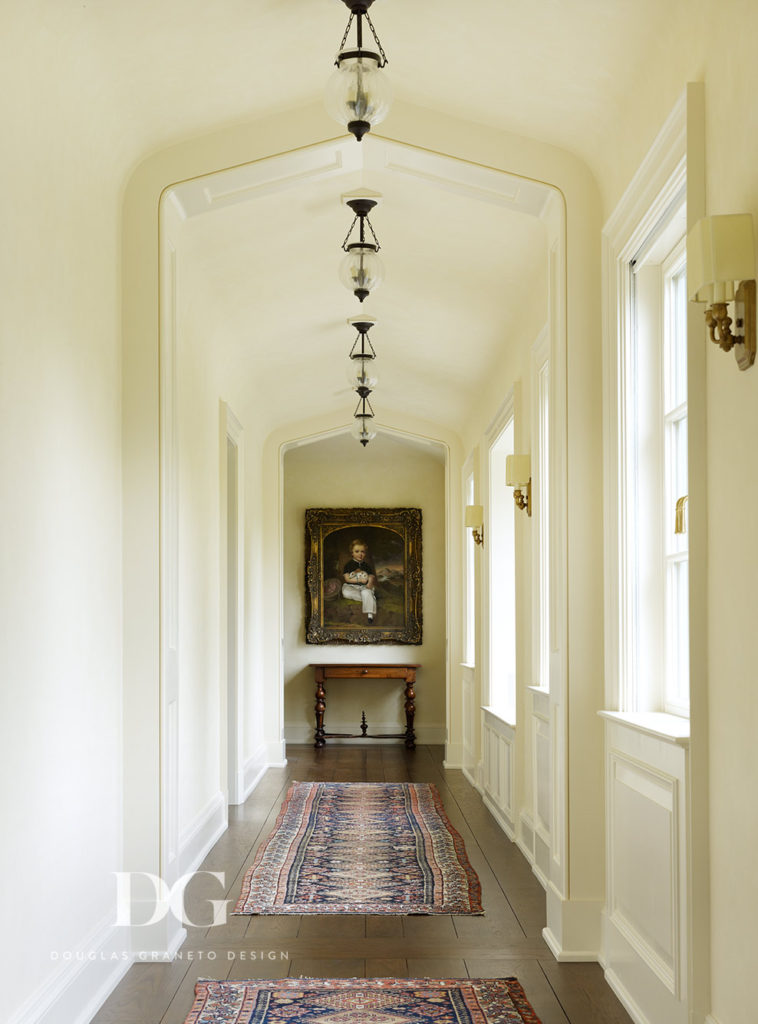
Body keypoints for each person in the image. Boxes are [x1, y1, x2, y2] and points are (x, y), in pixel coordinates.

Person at [341, 538, 377, 623]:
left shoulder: (366, 566)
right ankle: (369, 598)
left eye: (362, 552)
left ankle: (370, 615)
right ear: (352, 553)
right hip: (351, 587)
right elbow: (347, 579)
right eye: (357, 551)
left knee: (366, 592)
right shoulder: (348, 565)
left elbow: (371, 576)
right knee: (346, 593)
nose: (360, 554)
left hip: (364, 587)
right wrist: (359, 579)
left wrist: (370, 583)